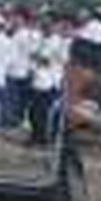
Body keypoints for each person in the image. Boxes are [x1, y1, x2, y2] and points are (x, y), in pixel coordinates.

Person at [29, 16, 68, 145]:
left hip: (50, 82)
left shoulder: (58, 41)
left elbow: (48, 60)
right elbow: (33, 55)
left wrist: (39, 58)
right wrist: (38, 58)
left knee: (44, 113)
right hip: (38, 80)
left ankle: (43, 139)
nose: (45, 27)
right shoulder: (41, 39)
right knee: (34, 112)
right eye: (44, 25)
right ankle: (35, 136)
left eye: (49, 25)